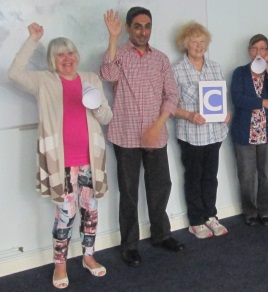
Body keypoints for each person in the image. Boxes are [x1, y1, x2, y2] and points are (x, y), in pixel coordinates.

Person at [8, 23, 112, 289]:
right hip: (61, 163)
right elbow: (14, 73)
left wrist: (97, 104)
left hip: (90, 161)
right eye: (60, 55)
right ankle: (60, 264)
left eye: (71, 53)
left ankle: (88, 257)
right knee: (65, 214)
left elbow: (106, 117)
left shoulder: (90, 79)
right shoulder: (44, 81)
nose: (68, 59)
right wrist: (32, 39)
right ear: (53, 60)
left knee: (91, 211)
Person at [100, 7, 184, 267]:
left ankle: (161, 235)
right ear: (128, 28)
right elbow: (108, 74)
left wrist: (157, 126)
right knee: (128, 193)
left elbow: (171, 95)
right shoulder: (117, 55)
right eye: (137, 26)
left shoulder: (160, 58)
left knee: (160, 188)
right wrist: (113, 38)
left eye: (147, 26)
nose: (143, 31)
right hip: (125, 136)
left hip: (155, 136)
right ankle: (130, 246)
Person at [172, 21, 230, 238]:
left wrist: (225, 112)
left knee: (210, 178)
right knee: (194, 177)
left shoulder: (215, 67)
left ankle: (210, 216)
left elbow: (220, 98)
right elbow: (168, 105)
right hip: (191, 135)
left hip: (214, 133)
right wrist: (188, 115)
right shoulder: (176, 70)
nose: (199, 46)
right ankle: (196, 221)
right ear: (185, 44)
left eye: (202, 42)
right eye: (194, 42)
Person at [231, 34, 268, 226]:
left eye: (262, 49)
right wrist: (264, 102)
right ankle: (250, 212)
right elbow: (238, 99)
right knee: (246, 176)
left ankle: (265, 212)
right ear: (249, 51)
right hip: (244, 133)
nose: (258, 52)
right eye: (255, 48)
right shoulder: (239, 73)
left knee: (266, 175)